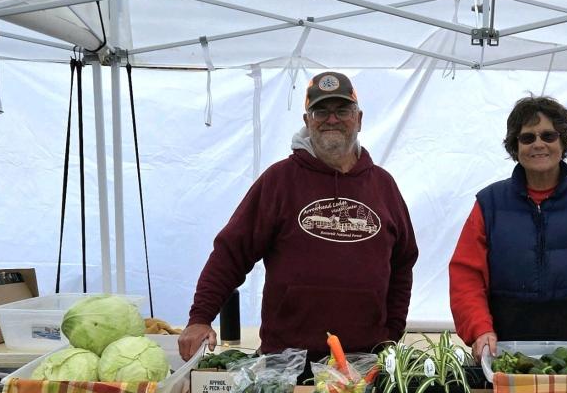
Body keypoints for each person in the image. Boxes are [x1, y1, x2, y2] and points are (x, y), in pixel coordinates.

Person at [178, 71, 418, 362]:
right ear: (307, 121)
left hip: (364, 360)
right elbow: (231, 252)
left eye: (342, 110)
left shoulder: (383, 186)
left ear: (359, 118)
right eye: (320, 111)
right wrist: (200, 317)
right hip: (287, 362)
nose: (332, 119)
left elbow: (403, 263)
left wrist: (391, 331)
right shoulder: (279, 181)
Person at [448, 94, 567, 360]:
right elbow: (466, 277)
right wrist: (479, 328)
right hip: (505, 348)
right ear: (515, 145)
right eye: (527, 137)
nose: (538, 144)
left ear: (563, 142)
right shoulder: (489, 203)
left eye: (548, 136)